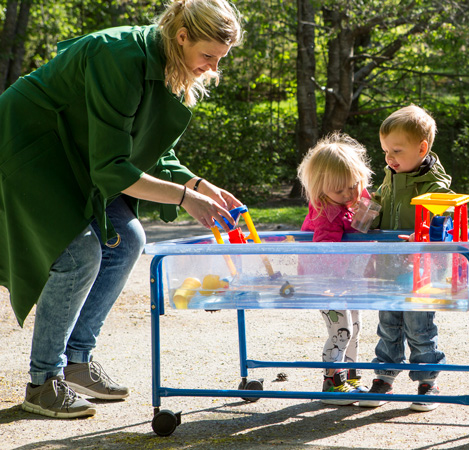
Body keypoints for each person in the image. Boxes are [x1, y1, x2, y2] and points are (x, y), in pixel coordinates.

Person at [0, 0, 244, 419]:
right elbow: (113, 166)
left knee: (128, 238)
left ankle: (77, 361)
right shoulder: (119, 56)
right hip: (30, 148)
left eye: (219, 60)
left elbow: (149, 150)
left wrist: (200, 185)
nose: (212, 69)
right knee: (79, 255)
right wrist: (187, 200)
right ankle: (44, 383)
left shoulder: (166, 63)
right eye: (208, 56)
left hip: (80, 157)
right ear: (182, 36)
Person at [359, 105, 453, 412]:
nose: (389, 158)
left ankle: (428, 381)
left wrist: (427, 232)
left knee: (419, 326)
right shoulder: (390, 177)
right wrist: (364, 217)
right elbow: (379, 205)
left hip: (421, 272)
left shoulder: (434, 185)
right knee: (388, 323)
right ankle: (384, 377)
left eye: (396, 151)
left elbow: (444, 214)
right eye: (385, 151)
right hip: (388, 266)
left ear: (422, 148)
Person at [297, 132, 374, 405]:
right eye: (338, 190)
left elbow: (362, 202)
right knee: (341, 330)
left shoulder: (348, 201)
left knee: (355, 326)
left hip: (345, 281)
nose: (347, 194)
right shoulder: (327, 212)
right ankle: (332, 383)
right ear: (321, 189)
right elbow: (325, 253)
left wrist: (364, 202)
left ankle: (350, 378)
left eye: (352, 186)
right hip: (326, 282)